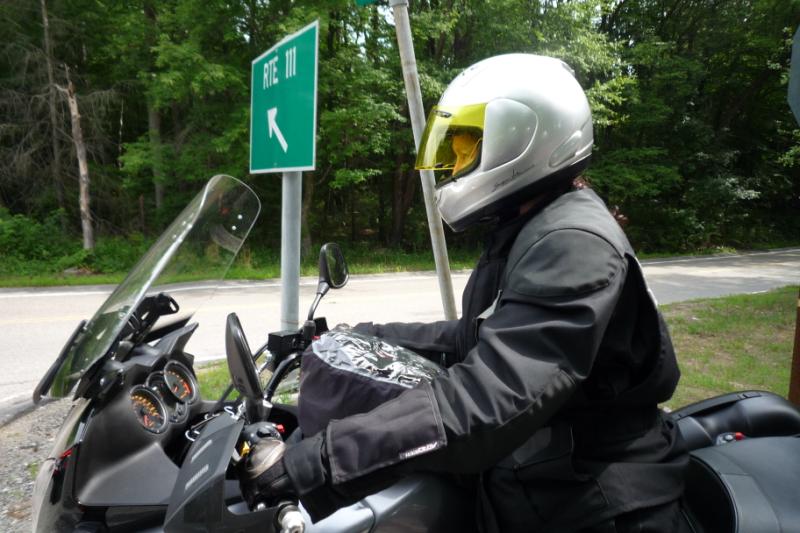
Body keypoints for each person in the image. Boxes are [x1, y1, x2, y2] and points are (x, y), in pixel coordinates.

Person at [248, 54, 689, 532]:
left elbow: (492, 398)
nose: (454, 165)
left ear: (522, 138)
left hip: (590, 501)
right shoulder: (529, 225)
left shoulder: (573, 244)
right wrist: (364, 335)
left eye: (466, 147)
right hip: (540, 474)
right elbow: (476, 337)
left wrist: (317, 463)